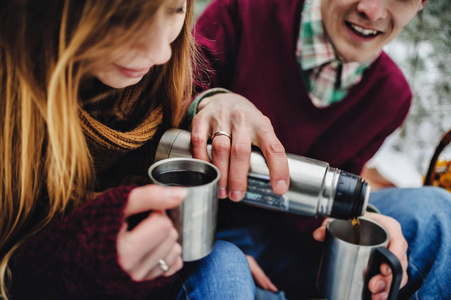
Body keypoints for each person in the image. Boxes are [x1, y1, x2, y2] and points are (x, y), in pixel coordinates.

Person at [0, 0, 291, 299]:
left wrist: (212, 101)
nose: (160, 52)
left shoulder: (155, 87)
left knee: (226, 263)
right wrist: (74, 265)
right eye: (126, 17)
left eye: (176, 10)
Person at [193, 0, 451, 299]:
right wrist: (210, 102)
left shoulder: (391, 96)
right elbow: (155, 124)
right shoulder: (244, 11)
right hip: (207, 232)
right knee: (224, 269)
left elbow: (334, 202)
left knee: (438, 210)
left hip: (298, 250)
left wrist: (367, 220)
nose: (372, 10)